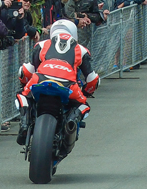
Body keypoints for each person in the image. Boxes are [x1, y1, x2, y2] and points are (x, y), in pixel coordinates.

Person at [16, 20, 99, 157]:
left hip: (41, 79)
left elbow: (26, 71)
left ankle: (24, 124)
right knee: (84, 105)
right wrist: (86, 92)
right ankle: (72, 120)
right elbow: (92, 80)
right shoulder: (82, 49)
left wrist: (24, 83)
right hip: (68, 85)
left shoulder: (41, 44)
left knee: (23, 95)